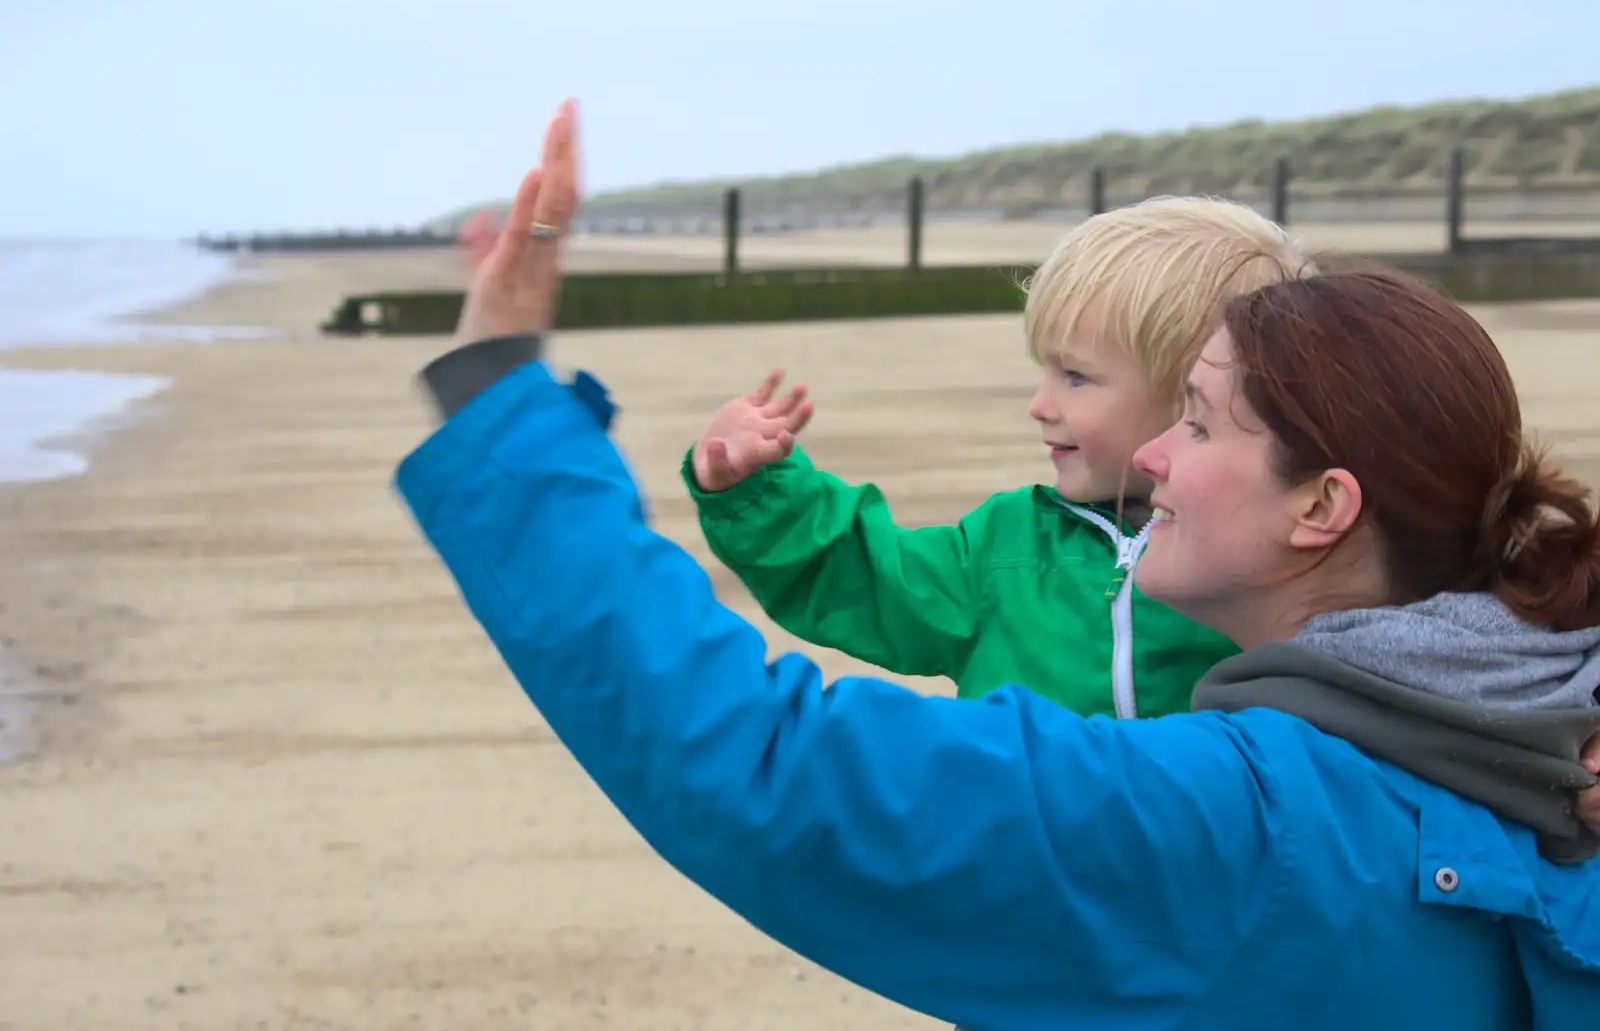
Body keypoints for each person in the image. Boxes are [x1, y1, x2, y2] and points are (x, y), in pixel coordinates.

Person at [401, 102, 1600, 1028]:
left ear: (1324, 506)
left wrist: (496, 395)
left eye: (1193, 417)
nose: (1152, 456)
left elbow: (769, 770)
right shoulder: (1547, 750)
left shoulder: (1226, 826)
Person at [679, 197, 1312, 719]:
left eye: (1076, 377)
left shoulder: (1274, 554)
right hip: (1033, 860)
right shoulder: (1005, 549)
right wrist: (761, 492)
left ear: (1192, 393)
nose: (1040, 405)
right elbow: (867, 579)